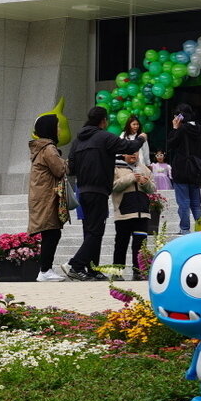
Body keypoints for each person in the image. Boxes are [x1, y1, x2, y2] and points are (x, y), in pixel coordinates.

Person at [65, 106, 145, 281]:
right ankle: (76, 265)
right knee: (96, 232)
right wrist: (141, 138)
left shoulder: (77, 141)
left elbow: (71, 168)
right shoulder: (104, 137)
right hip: (98, 191)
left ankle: (92, 270)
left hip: (82, 190)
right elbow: (129, 146)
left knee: (90, 231)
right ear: (103, 121)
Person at [28, 113, 69, 283]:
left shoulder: (40, 148)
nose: (59, 130)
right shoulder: (49, 148)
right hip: (47, 197)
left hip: (42, 197)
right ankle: (45, 270)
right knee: (52, 233)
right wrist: (69, 162)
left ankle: (45, 269)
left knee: (51, 233)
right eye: (57, 126)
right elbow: (60, 170)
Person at [166, 103, 201, 235]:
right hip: (195, 169)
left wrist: (175, 128)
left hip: (182, 168)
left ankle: (185, 229)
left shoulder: (182, 129)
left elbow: (170, 144)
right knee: (196, 203)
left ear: (179, 116)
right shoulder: (199, 128)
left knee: (183, 202)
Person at [111, 153, 153, 280]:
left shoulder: (144, 168)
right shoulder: (116, 168)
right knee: (121, 244)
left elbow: (153, 189)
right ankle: (117, 273)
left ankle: (139, 272)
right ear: (123, 154)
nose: (134, 155)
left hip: (142, 213)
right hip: (124, 213)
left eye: (135, 152)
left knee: (140, 245)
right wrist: (131, 177)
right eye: (130, 152)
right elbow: (113, 186)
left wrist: (145, 183)